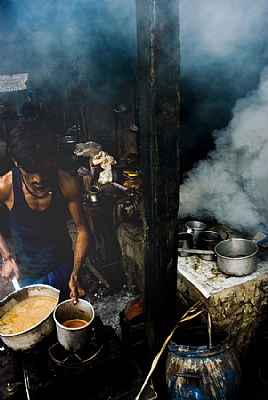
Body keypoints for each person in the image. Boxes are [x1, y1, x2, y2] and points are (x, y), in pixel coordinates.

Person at [0, 119, 90, 303]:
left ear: (52, 160)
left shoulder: (67, 183)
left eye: (44, 169)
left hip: (64, 268)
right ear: (16, 162)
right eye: (30, 172)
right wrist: (6, 257)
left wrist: (75, 272)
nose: (38, 179)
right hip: (28, 276)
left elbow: (83, 230)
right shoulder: (6, 186)